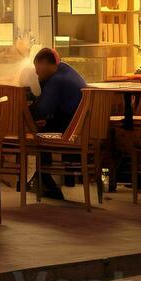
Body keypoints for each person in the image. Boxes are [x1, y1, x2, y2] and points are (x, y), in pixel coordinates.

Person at [30, 48, 86, 200]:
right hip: (79, 125)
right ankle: (43, 180)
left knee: (38, 135)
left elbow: (43, 109)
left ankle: (46, 183)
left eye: (37, 68)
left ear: (45, 63)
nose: (36, 73)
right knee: (45, 127)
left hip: (70, 128)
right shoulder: (65, 70)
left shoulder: (57, 79)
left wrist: (26, 109)